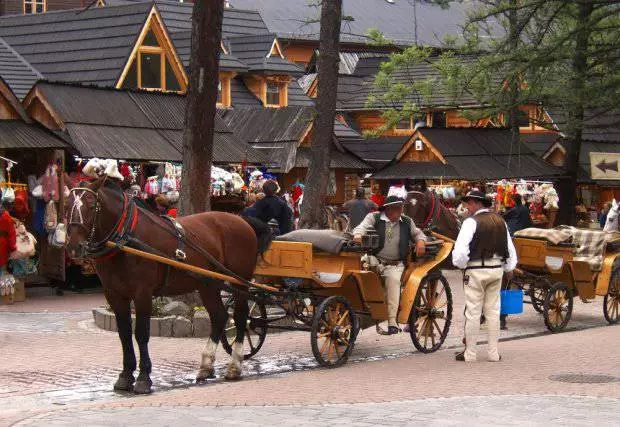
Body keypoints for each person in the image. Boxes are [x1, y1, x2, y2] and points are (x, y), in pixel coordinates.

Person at [452, 190, 517, 362]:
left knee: (473, 312)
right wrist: (509, 267)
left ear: (477, 203)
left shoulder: (471, 222)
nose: (467, 207)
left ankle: (470, 354)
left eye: (469, 203)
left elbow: (460, 252)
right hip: (496, 270)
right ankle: (493, 353)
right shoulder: (500, 221)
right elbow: (510, 249)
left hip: (475, 270)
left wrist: (461, 265)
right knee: (493, 312)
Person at [353, 196, 427, 334]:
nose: (400, 210)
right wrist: (358, 236)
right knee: (356, 278)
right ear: (387, 209)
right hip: (372, 261)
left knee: (393, 281)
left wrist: (421, 241)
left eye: (400, 207)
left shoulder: (406, 221)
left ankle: (392, 321)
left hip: (394, 265)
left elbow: (418, 234)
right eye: (396, 207)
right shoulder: (373, 218)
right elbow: (359, 229)